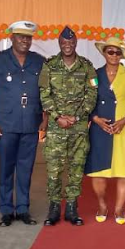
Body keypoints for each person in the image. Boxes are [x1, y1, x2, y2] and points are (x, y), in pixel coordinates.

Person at [0, 21, 46, 227]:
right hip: (5, 125)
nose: (25, 41)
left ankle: (23, 209)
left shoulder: (39, 62)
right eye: (20, 36)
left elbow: (46, 92)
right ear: (11, 37)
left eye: (28, 37)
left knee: (26, 168)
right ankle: (7, 210)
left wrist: (45, 117)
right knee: (7, 168)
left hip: (30, 124)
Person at [40, 26, 98, 227]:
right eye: (64, 43)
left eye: (71, 43)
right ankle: (54, 207)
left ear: (76, 44)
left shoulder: (86, 66)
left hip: (78, 129)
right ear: (59, 43)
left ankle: (72, 208)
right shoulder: (49, 66)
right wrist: (57, 117)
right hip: (56, 129)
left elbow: (92, 94)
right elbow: (44, 94)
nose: (68, 46)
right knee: (54, 170)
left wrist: (77, 116)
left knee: (76, 168)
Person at [85, 37, 125, 225]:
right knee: (98, 171)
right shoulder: (94, 74)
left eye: (118, 52)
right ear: (104, 53)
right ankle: (102, 204)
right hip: (101, 128)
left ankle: (118, 208)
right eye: (111, 52)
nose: (114, 55)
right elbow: (88, 100)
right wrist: (95, 118)